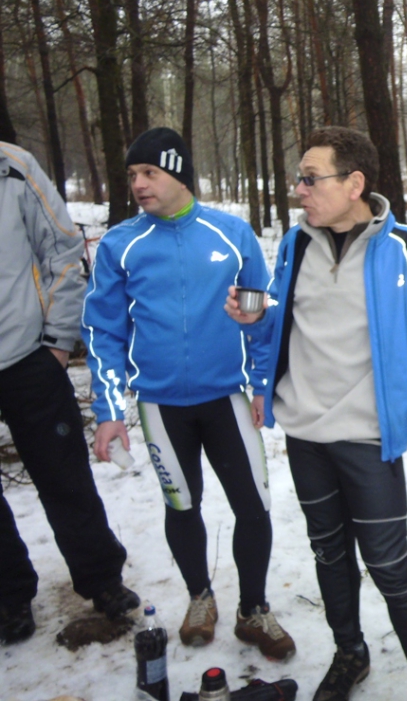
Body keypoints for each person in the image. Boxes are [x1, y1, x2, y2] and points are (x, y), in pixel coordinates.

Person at [226, 126, 407, 701]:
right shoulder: (294, 244)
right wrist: (257, 326)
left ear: (354, 183)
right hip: (305, 432)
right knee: (329, 553)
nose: (299, 189)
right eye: (299, 178)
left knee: (389, 564)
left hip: (368, 436)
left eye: (311, 179)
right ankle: (349, 653)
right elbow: (283, 318)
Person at [82, 127, 295, 660]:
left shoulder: (231, 234)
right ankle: (200, 597)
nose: (138, 184)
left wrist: (262, 384)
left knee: (254, 506)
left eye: (149, 173)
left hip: (227, 399)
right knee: (182, 505)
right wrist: (108, 410)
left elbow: (262, 314)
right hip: (160, 405)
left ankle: (253, 609)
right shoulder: (121, 245)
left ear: (179, 174)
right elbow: (103, 332)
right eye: (132, 175)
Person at [0, 141, 138, 645]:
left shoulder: (13, 169)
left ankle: (101, 578)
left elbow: (61, 249)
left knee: (64, 475)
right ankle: (9, 594)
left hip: (27, 355)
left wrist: (58, 342)